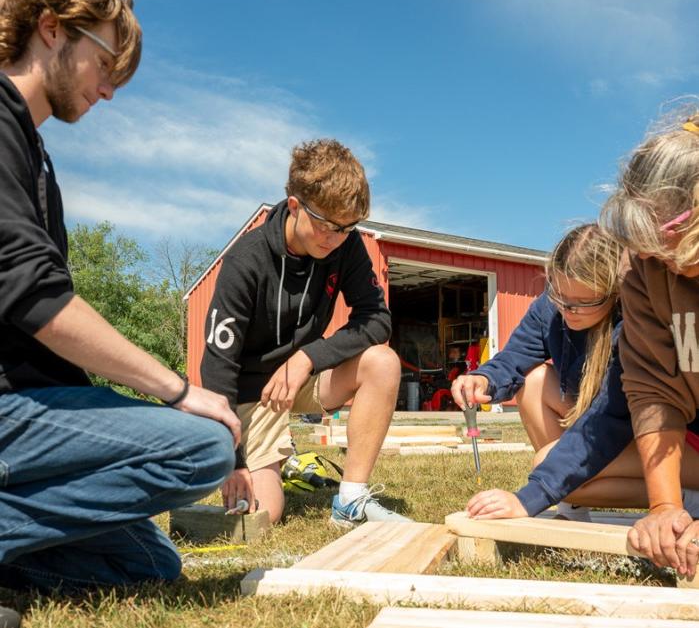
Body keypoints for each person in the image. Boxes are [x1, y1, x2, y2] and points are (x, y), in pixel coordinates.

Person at [0, 0, 239, 605]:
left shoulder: (34, 152)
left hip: (28, 402)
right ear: (51, 29)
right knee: (204, 448)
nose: (108, 91)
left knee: (147, 565)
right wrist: (177, 390)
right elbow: (35, 298)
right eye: (106, 65)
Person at [201, 138, 410, 527]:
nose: (335, 238)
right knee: (264, 515)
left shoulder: (344, 246)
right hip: (251, 394)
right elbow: (217, 369)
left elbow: (376, 319)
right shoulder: (245, 262)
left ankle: (349, 501)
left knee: (382, 362)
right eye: (326, 226)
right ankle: (264, 460)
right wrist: (232, 461)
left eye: (347, 228)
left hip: (303, 378)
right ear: (296, 206)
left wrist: (308, 357)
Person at [452, 224, 699, 523]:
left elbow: (609, 420)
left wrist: (533, 495)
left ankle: (683, 498)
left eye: (584, 303)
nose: (568, 311)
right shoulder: (551, 307)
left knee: (548, 464)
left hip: (677, 440)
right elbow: (515, 356)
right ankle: (571, 497)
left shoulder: (633, 323)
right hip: (622, 429)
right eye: (561, 297)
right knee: (534, 382)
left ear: (614, 294)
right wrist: (485, 379)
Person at [600, 111, 699, 579]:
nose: (650, 257)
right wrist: (664, 506)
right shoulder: (645, 269)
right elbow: (653, 389)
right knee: (564, 471)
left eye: (662, 239)